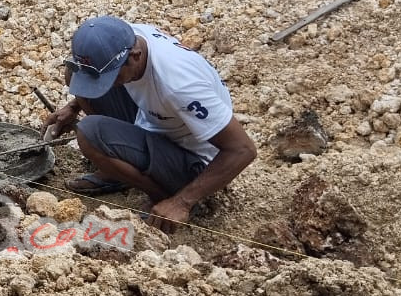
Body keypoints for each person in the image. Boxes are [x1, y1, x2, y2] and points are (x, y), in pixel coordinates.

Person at [42, 16, 257, 232]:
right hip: (156, 118)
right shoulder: (130, 36)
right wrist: (73, 107)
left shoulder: (179, 85)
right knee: (76, 76)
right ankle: (118, 171)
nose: (106, 85)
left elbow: (242, 149)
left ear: (134, 57)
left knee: (89, 134)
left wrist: (182, 202)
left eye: (110, 77)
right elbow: (93, 74)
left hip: (194, 160)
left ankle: (164, 197)